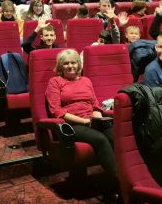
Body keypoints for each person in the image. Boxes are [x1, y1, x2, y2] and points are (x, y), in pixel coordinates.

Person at [45, 49, 117, 179]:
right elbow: (56, 111)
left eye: (73, 62)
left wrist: (98, 116)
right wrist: (84, 121)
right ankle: (119, 181)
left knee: (115, 136)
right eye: (66, 63)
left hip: (92, 121)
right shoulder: (55, 82)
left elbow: (95, 104)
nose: (70, 66)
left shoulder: (86, 80)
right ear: (60, 66)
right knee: (100, 140)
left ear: (79, 64)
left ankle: (130, 175)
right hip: (72, 125)